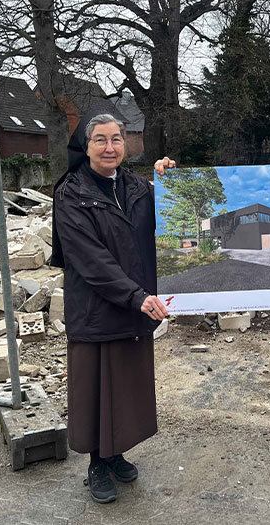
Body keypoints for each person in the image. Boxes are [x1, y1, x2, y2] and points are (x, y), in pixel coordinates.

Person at [51, 113, 169, 504]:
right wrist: (137, 297)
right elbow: (90, 259)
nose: (109, 147)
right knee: (95, 388)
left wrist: (171, 181)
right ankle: (96, 464)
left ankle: (115, 453)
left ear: (125, 144)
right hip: (97, 308)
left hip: (135, 305)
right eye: (100, 139)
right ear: (85, 147)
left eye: (116, 139)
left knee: (124, 386)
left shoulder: (138, 187)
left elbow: (172, 221)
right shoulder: (71, 193)